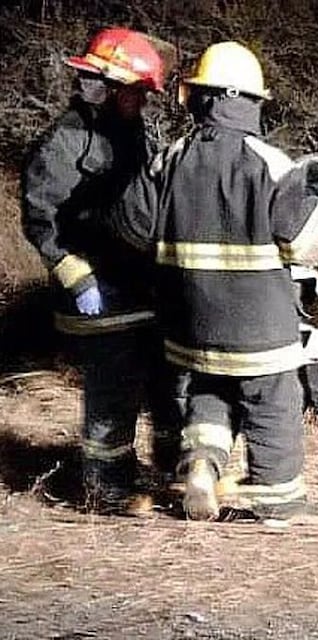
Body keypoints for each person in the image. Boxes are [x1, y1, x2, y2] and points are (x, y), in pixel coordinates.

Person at [110, 41, 318, 524]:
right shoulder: (269, 162)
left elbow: (130, 225)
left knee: (209, 394)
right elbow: (307, 241)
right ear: (248, 101)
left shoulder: (168, 159)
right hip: (259, 327)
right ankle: (282, 504)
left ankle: (201, 466)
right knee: (274, 403)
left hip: (188, 323)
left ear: (200, 99)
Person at [20, 27, 183, 514]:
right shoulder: (66, 141)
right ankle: (106, 488)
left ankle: (174, 471)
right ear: (108, 87)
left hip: (138, 286)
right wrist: (74, 273)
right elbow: (40, 215)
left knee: (164, 382)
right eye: (136, 91)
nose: (142, 101)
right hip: (96, 289)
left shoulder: (131, 133)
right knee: (113, 390)